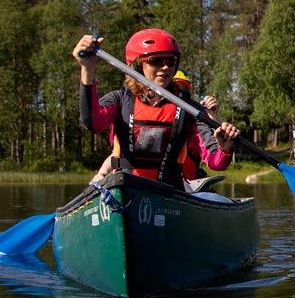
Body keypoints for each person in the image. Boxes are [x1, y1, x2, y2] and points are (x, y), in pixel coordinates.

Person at [73, 30, 239, 189]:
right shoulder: (120, 99)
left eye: (170, 61)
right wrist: (88, 69)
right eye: (156, 61)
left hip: (169, 192)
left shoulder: (189, 108)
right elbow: (92, 123)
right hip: (126, 186)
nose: (165, 67)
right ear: (137, 64)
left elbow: (216, 163)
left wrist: (224, 147)